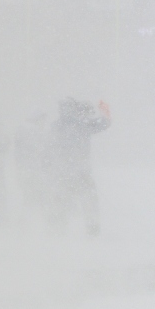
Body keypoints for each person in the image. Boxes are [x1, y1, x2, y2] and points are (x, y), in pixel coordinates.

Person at [46, 98, 110, 235]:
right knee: (89, 201)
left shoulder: (55, 126)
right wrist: (105, 110)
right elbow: (104, 123)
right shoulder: (82, 124)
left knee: (61, 200)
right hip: (82, 171)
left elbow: (49, 148)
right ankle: (92, 229)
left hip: (62, 172)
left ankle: (58, 229)